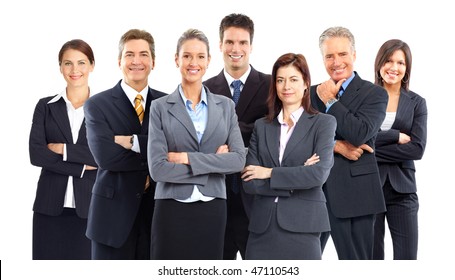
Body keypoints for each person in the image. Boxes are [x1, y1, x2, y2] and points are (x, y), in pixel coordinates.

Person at [148, 28, 246, 260]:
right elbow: (158, 169)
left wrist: (186, 158)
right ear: (176, 59)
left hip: (213, 207)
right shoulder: (160, 107)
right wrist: (215, 165)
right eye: (187, 56)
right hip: (171, 206)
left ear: (209, 60)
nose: (194, 62)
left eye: (200, 56)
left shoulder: (225, 106)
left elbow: (238, 160)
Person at [241, 53, 336, 260]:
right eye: (280, 80)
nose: (286, 86)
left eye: (293, 79)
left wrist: (269, 173)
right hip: (262, 229)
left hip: (303, 226)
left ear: (305, 84)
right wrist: (298, 175)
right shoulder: (262, 126)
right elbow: (250, 181)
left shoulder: (324, 123)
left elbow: (318, 175)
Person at [84, 29, 166, 259]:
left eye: (143, 54)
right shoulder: (97, 104)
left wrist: (134, 143)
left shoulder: (169, 103)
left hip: (157, 216)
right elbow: (106, 157)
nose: (136, 61)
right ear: (119, 61)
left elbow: (179, 149)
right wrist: (158, 157)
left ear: (153, 62)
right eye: (130, 54)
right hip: (111, 219)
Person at [309, 26, 388, 260]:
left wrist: (331, 101)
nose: (336, 62)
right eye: (329, 56)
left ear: (354, 55)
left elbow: (359, 132)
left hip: (356, 194)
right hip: (314, 193)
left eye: (342, 54)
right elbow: (298, 138)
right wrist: (335, 146)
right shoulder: (310, 94)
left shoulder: (375, 94)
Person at [203, 13, 270, 260]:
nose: (236, 49)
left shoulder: (271, 85)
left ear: (251, 46)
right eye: (230, 42)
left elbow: (269, 131)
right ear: (220, 45)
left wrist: (227, 131)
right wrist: (251, 128)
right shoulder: (205, 89)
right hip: (216, 198)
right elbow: (200, 137)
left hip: (255, 199)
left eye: (242, 43)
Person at [29, 39, 96, 259]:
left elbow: (105, 156)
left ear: (92, 65)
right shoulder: (45, 106)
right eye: (68, 63)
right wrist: (80, 167)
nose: (75, 70)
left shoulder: (105, 109)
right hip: (48, 209)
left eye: (81, 62)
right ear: (60, 67)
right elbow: (37, 153)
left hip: (91, 209)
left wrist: (63, 149)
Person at [372, 39, 427, 260]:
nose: (394, 67)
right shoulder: (365, 99)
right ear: (379, 64)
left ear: (407, 69)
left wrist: (371, 149)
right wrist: (395, 136)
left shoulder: (417, 103)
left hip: (403, 192)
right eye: (388, 61)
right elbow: (356, 140)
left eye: (400, 63)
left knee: (406, 261)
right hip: (368, 188)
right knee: (371, 260)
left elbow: (417, 149)